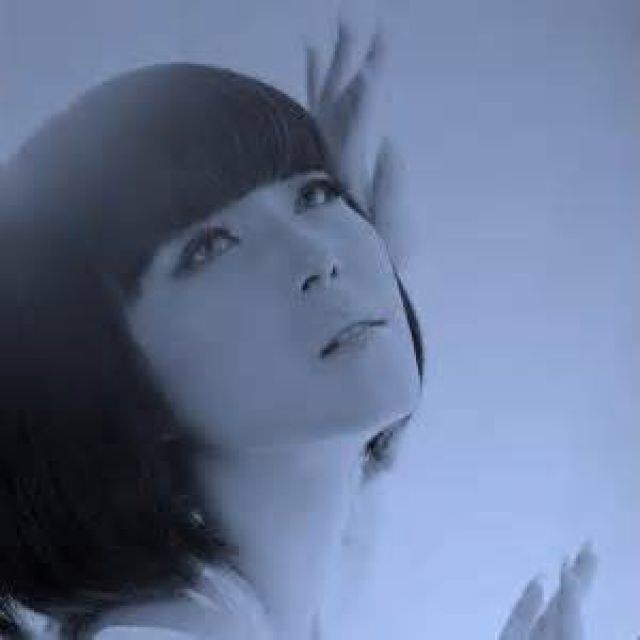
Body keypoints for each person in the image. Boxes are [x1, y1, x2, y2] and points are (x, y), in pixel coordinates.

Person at [0, 20, 594, 640]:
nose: (319, 255)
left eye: (313, 195)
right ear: (111, 378)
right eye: (210, 247)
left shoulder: (278, 577)